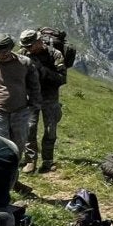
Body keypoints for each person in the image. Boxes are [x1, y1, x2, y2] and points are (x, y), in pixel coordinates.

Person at [19, 28, 66, 173]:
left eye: (30, 46)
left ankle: (47, 161)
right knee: (30, 128)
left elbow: (62, 78)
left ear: (39, 42)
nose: (28, 49)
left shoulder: (55, 54)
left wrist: (43, 71)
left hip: (50, 98)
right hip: (30, 97)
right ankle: (30, 161)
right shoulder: (22, 54)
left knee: (50, 130)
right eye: (25, 46)